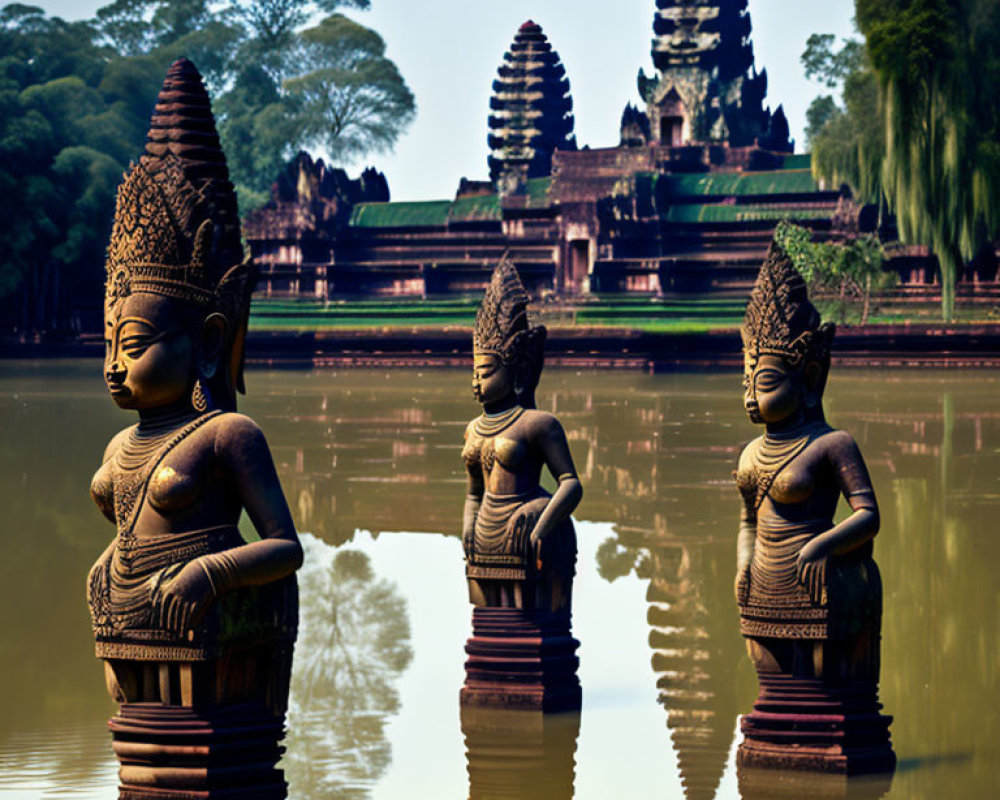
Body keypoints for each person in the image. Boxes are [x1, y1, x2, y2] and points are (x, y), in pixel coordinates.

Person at [86, 59, 301, 712]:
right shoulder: (122, 444)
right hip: (130, 618)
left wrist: (210, 571)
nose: (114, 367)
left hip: (207, 624)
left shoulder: (227, 434)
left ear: (208, 341)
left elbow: (284, 547)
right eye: (108, 346)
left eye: (132, 346)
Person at [735, 242, 882, 684]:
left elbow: (869, 516)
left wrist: (822, 545)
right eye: (746, 382)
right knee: (773, 690)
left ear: (810, 380)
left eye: (765, 383)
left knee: (822, 691)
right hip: (763, 580)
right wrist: (742, 565)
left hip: (818, 581)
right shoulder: (748, 452)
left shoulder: (832, 444)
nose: (750, 398)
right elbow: (747, 521)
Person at [461, 261, 582, 613]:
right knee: (486, 634)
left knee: (532, 635)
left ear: (517, 371)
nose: (476, 382)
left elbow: (571, 484)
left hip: (527, 530)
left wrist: (541, 527)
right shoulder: (472, 429)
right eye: (473, 372)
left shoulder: (538, 424)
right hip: (484, 536)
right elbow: (473, 492)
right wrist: (468, 529)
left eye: (484, 372)